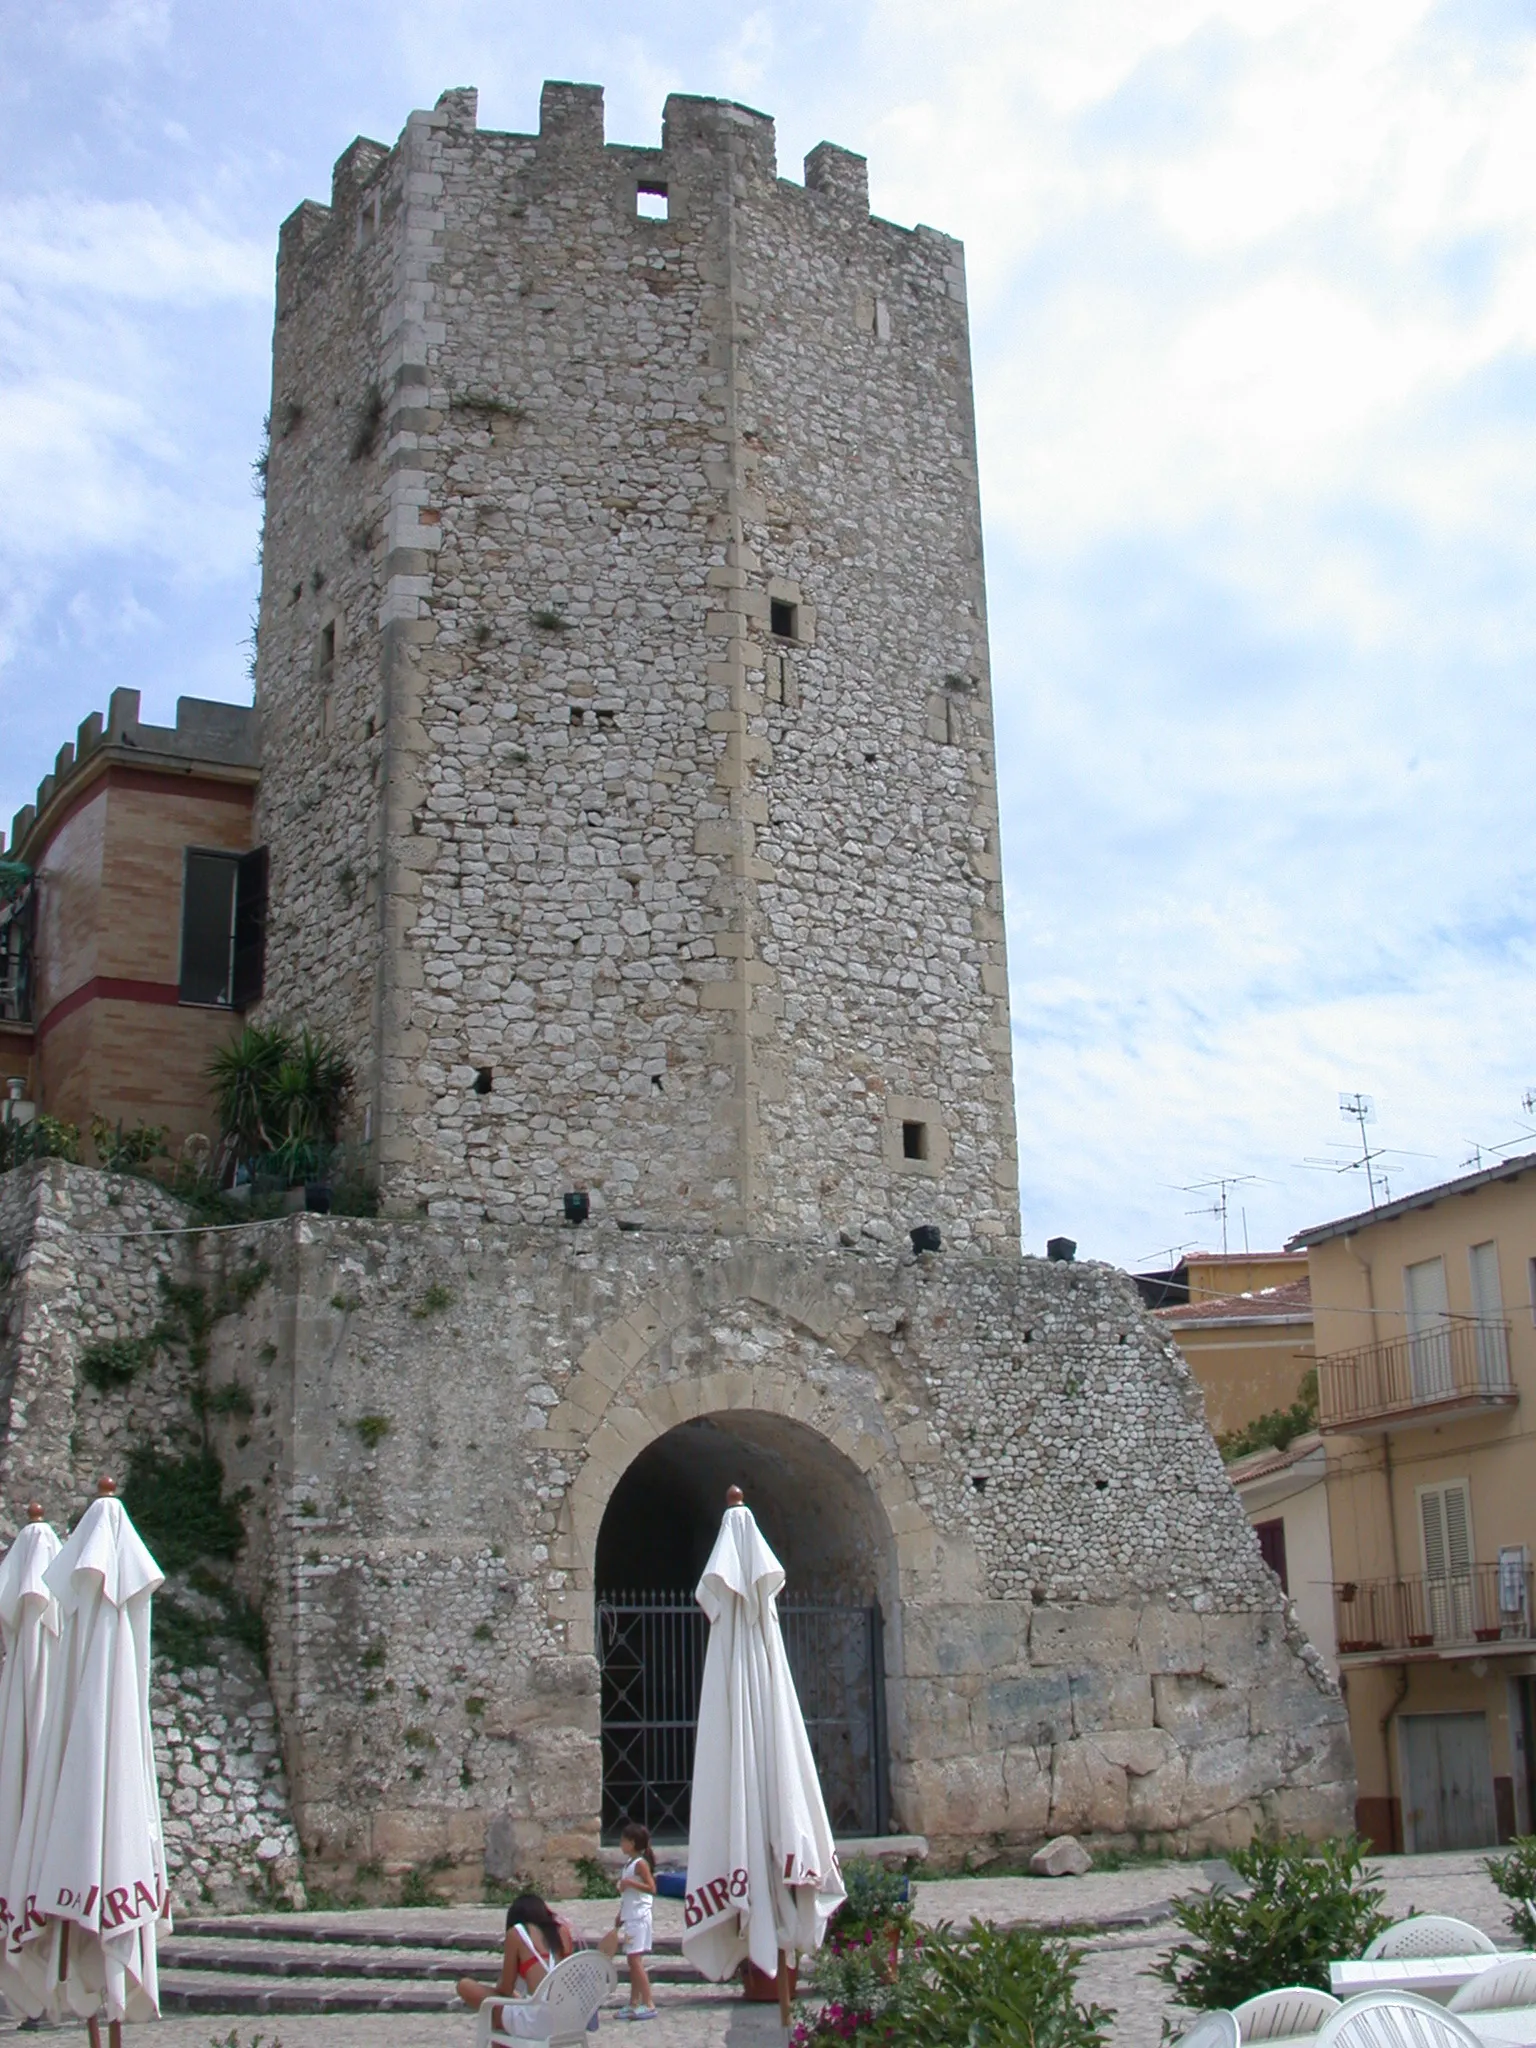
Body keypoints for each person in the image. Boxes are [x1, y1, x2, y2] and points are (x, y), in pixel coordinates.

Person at [456, 1891, 577, 2027]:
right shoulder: (562, 1931)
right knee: (501, 2013)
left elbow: (505, 1989)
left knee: (465, 1986)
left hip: (538, 2022)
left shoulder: (518, 1933)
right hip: (567, 2019)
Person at [614, 1819, 658, 2020]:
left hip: (639, 1917)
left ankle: (648, 2003)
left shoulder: (640, 1864)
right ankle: (633, 2002)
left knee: (635, 1960)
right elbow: (628, 1895)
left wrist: (629, 1883)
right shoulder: (629, 1864)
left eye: (623, 1840)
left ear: (632, 1843)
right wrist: (620, 1915)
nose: (620, 1844)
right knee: (632, 1961)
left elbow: (652, 1888)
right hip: (631, 1916)